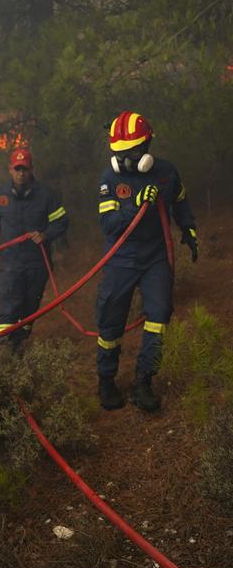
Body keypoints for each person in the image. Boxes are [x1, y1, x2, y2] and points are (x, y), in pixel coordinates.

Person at [96, 112, 197, 412]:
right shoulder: (110, 179)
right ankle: (105, 380)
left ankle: (144, 381)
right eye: (120, 152)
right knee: (111, 321)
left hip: (156, 257)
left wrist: (188, 229)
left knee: (159, 315)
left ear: (147, 146)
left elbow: (180, 201)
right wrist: (137, 205)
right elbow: (108, 225)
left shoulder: (165, 172)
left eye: (133, 151)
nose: (127, 159)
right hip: (121, 258)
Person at [0, 148, 69, 352]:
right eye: (17, 169)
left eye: (25, 169)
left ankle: (18, 342)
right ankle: (4, 348)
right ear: (10, 170)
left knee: (30, 307)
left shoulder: (46, 196)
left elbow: (62, 221)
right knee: (9, 304)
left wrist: (46, 234)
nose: (21, 173)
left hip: (38, 262)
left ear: (31, 170)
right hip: (11, 262)